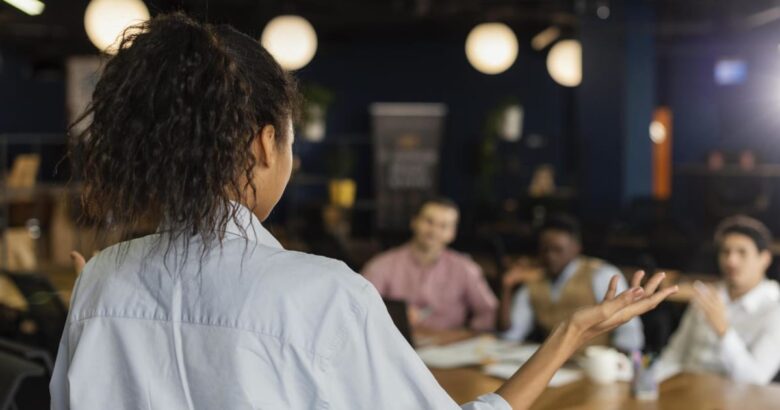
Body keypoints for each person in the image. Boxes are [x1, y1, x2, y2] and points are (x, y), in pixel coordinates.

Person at [50, 13, 676, 410]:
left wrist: (107, 293)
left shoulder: (101, 281)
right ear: (264, 143)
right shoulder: (321, 296)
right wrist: (569, 335)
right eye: (290, 141)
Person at [653, 215, 780, 385]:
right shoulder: (708, 295)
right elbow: (674, 354)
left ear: (765, 259)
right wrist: (648, 383)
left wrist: (724, 331)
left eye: (742, 253)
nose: (731, 261)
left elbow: (755, 381)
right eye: (726, 252)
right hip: (685, 394)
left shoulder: (774, 308)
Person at [500, 214, 644, 351]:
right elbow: (511, 333)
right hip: (548, 365)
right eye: (545, 250)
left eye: (558, 250)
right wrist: (506, 287)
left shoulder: (601, 274)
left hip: (591, 365)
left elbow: (630, 333)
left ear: (576, 248)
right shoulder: (534, 279)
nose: (550, 256)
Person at [362, 198, 497, 332]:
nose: (433, 231)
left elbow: (488, 311)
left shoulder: (465, 268)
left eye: (443, 226)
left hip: (450, 345)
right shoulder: (382, 265)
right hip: (396, 343)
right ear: (414, 222)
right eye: (429, 222)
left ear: (452, 233)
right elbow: (359, 306)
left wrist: (468, 334)